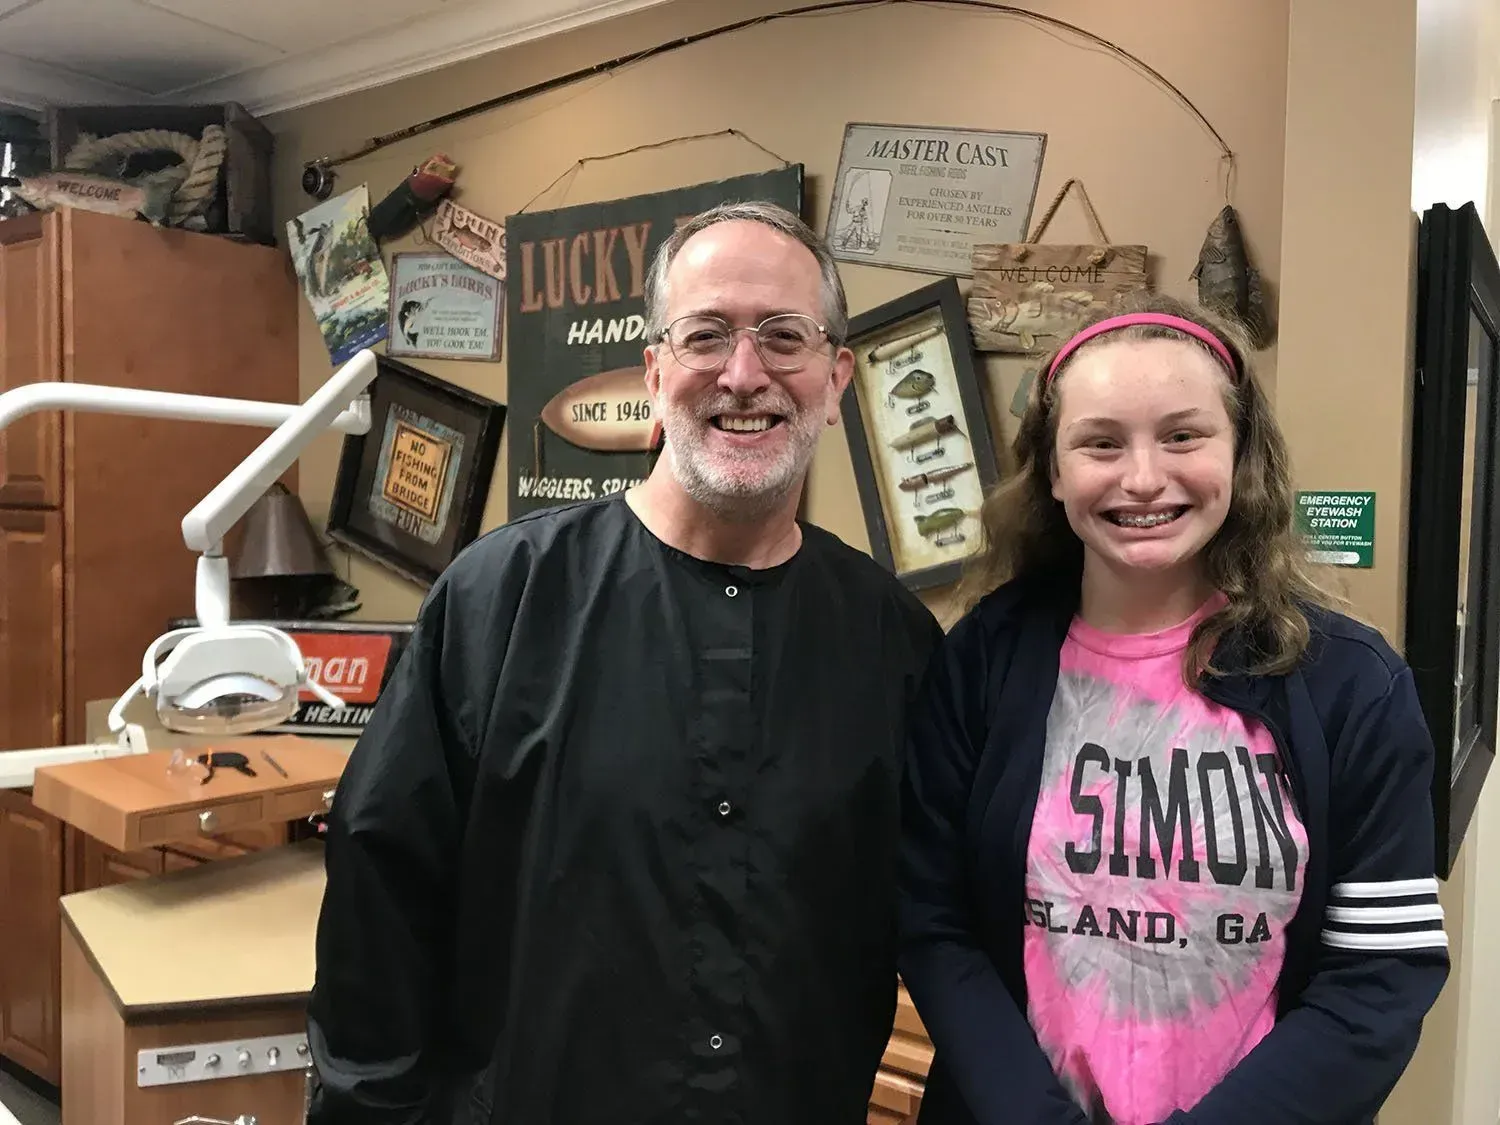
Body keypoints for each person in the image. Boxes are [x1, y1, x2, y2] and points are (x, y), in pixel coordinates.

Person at [305, 200, 943, 1124]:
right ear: (653, 373)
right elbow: (380, 913)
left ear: (836, 377)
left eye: (784, 336)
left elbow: (935, 916)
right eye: (706, 335)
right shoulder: (501, 600)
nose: (744, 374)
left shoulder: (894, 642)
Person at [897, 293, 1450, 1125]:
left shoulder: (1352, 685)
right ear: (1054, 470)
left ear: (1241, 453)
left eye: (1183, 435)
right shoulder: (983, 659)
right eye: (1101, 442)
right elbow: (934, 922)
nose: (1144, 477)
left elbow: (1379, 977)